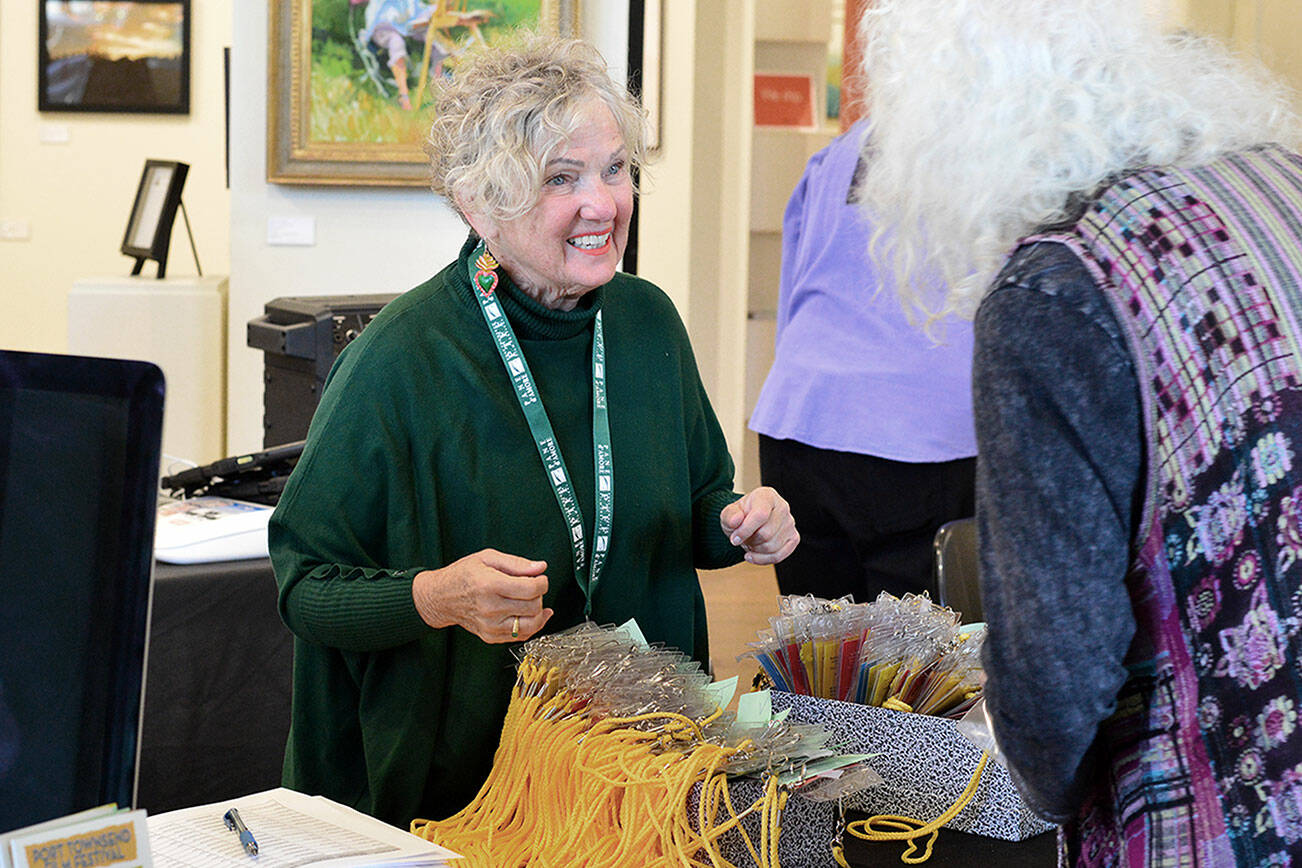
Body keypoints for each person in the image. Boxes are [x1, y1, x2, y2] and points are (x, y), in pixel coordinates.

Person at [268, 32, 799, 828]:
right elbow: (304, 585)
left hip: (640, 768)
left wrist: (741, 523)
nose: (604, 204)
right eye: (561, 178)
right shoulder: (399, 360)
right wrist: (436, 596)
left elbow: (696, 506)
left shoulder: (648, 321)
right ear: (480, 204)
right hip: (466, 794)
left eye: (615, 169)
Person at [854, 0, 1302, 864]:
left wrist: (1038, 789)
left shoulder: (1055, 291)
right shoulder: (1281, 184)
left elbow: (1059, 666)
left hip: (1230, 804)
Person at [749, 117, 976, 604]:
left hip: (802, 417)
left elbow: (796, 288)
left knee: (821, 638)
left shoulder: (837, 153)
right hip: (921, 433)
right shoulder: (991, 145)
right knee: (919, 647)